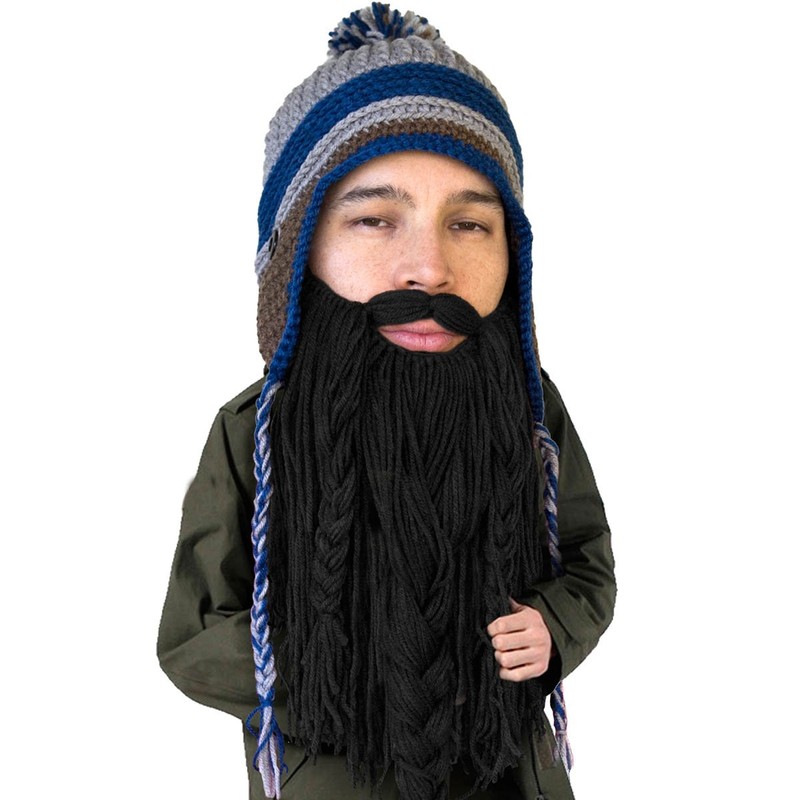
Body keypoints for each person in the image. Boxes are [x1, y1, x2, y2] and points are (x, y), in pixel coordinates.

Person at [157, 5, 615, 799]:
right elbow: (194, 634)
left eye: (470, 224)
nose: (428, 269)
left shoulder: (531, 411)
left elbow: (585, 563)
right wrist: (326, 671)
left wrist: (552, 625)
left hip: (506, 770)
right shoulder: (255, 430)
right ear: (300, 249)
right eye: (373, 219)